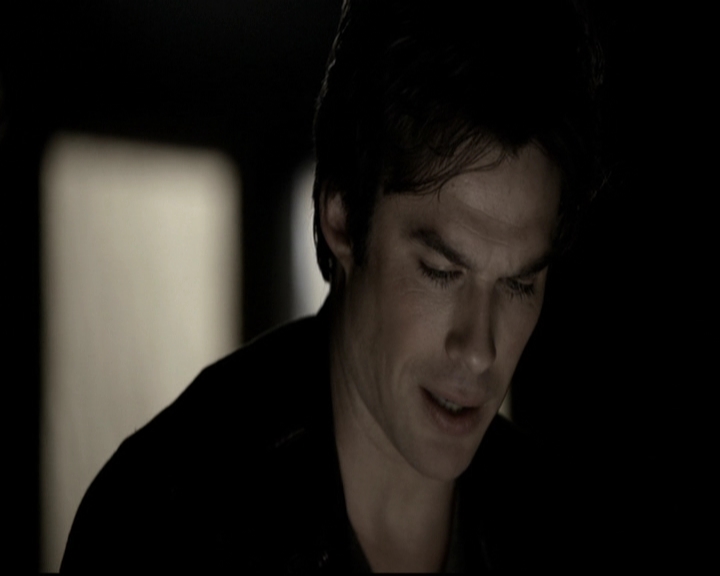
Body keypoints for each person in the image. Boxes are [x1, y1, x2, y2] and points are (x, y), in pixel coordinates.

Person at [61, 0, 602, 572]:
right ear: (340, 216)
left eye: (518, 285)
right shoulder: (168, 520)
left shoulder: (557, 529)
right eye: (441, 272)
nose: (478, 350)